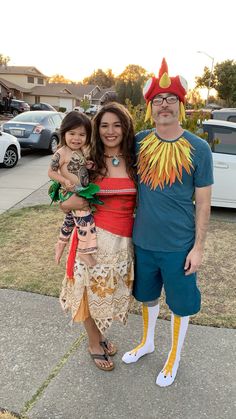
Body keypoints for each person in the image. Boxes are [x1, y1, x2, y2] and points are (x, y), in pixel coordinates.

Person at [122, 58, 214, 387]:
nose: (164, 104)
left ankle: (174, 354)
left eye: (171, 98)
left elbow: (203, 202)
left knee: (180, 303)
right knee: (146, 297)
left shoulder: (199, 149)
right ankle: (147, 342)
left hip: (179, 247)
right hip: (143, 242)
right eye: (158, 100)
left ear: (181, 104)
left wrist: (198, 248)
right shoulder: (138, 142)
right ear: (150, 106)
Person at [55, 102, 136, 371]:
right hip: (94, 241)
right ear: (96, 130)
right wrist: (70, 201)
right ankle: (93, 343)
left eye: (116, 125)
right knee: (89, 293)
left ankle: (100, 337)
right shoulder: (88, 164)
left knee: (108, 293)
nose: (110, 131)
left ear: (125, 128)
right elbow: (65, 202)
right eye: (103, 125)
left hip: (123, 241)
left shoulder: (135, 161)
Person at [48, 111, 100, 267]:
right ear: (64, 133)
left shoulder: (81, 151)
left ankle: (61, 243)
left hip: (80, 191)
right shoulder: (61, 153)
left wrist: (89, 165)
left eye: (82, 135)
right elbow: (50, 172)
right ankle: (84, 252)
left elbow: (80, 168)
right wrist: (64, 180)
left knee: (70, 221)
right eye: (72, 133)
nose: (76, 138)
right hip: (70, 193)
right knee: (86, 220)